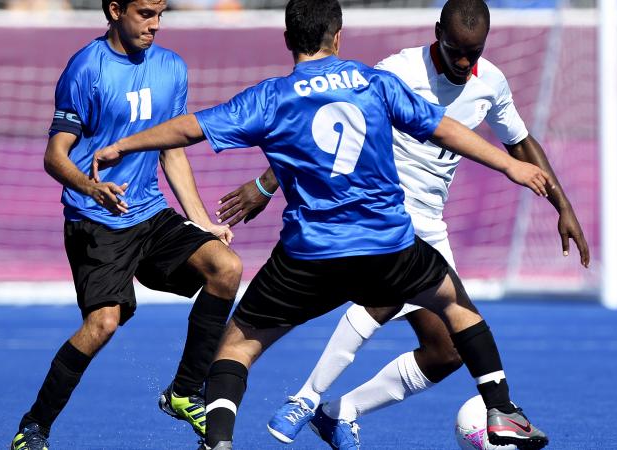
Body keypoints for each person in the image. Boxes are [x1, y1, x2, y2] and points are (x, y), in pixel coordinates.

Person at [91, 1, 554, 449]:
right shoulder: (375, 83)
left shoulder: (271, 97)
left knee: (235, 348)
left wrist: (125, 145)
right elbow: (442, 128)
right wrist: (508, 165)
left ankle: (220, 444)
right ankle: (501, 410)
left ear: (289, 38)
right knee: (456, 305)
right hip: (387, 247)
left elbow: (190, 127)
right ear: (339, 36)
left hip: (309, 257)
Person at [215, 0, 589, 448]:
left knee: (447, 350)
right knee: (386, 297)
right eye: (455, 51)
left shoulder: (491, 82)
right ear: (437, 33)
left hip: (431, 222)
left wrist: (562, 205)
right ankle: (306, 397)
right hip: (382, 214)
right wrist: (267, 182)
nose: (465, 63)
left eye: (475, 52)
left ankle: (339, 412)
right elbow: (333, 119)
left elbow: (520, 143)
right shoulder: (398, 70)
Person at [8, 1, 243, 448]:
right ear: (115, 10)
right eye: (145, 14)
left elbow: (172, 150)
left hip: (149, 213)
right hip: (95, 219)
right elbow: (54, 155)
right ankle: (33, 427)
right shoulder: (86, 68)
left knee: (226, 267)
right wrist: (91, 187)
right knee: (103, 324)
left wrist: (201, 222)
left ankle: (184, 392)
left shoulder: (171, 67)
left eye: (160, 13)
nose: (155, 25)